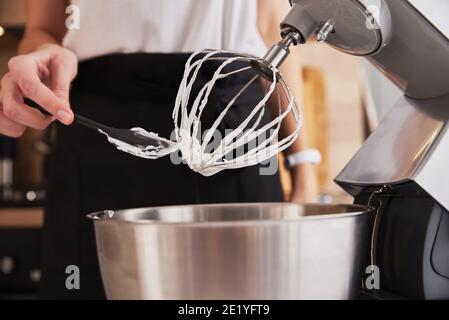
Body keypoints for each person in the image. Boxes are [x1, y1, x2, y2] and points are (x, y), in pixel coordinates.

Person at [0, 0, 318, 299]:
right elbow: (44, 29)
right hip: (99, 132)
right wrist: (44, 54)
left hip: (229, 127)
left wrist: (303, 166)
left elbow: (271, 31)